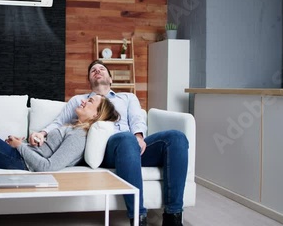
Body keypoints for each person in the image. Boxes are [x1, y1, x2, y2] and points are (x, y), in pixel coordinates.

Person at [29, 60, 188, 226]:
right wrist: (42, 133)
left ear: (110, 79)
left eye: (102, 69)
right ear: (89, 81)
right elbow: (58, 122)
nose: (97, 71)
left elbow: (137, 119)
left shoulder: (127, 98)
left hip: (134, 145)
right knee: (125, 138)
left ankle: (173, 217)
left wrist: (139, 137)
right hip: (107, 149)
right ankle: (138, 219)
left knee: (176, 138)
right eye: (93, 71)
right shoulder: (79, 101)